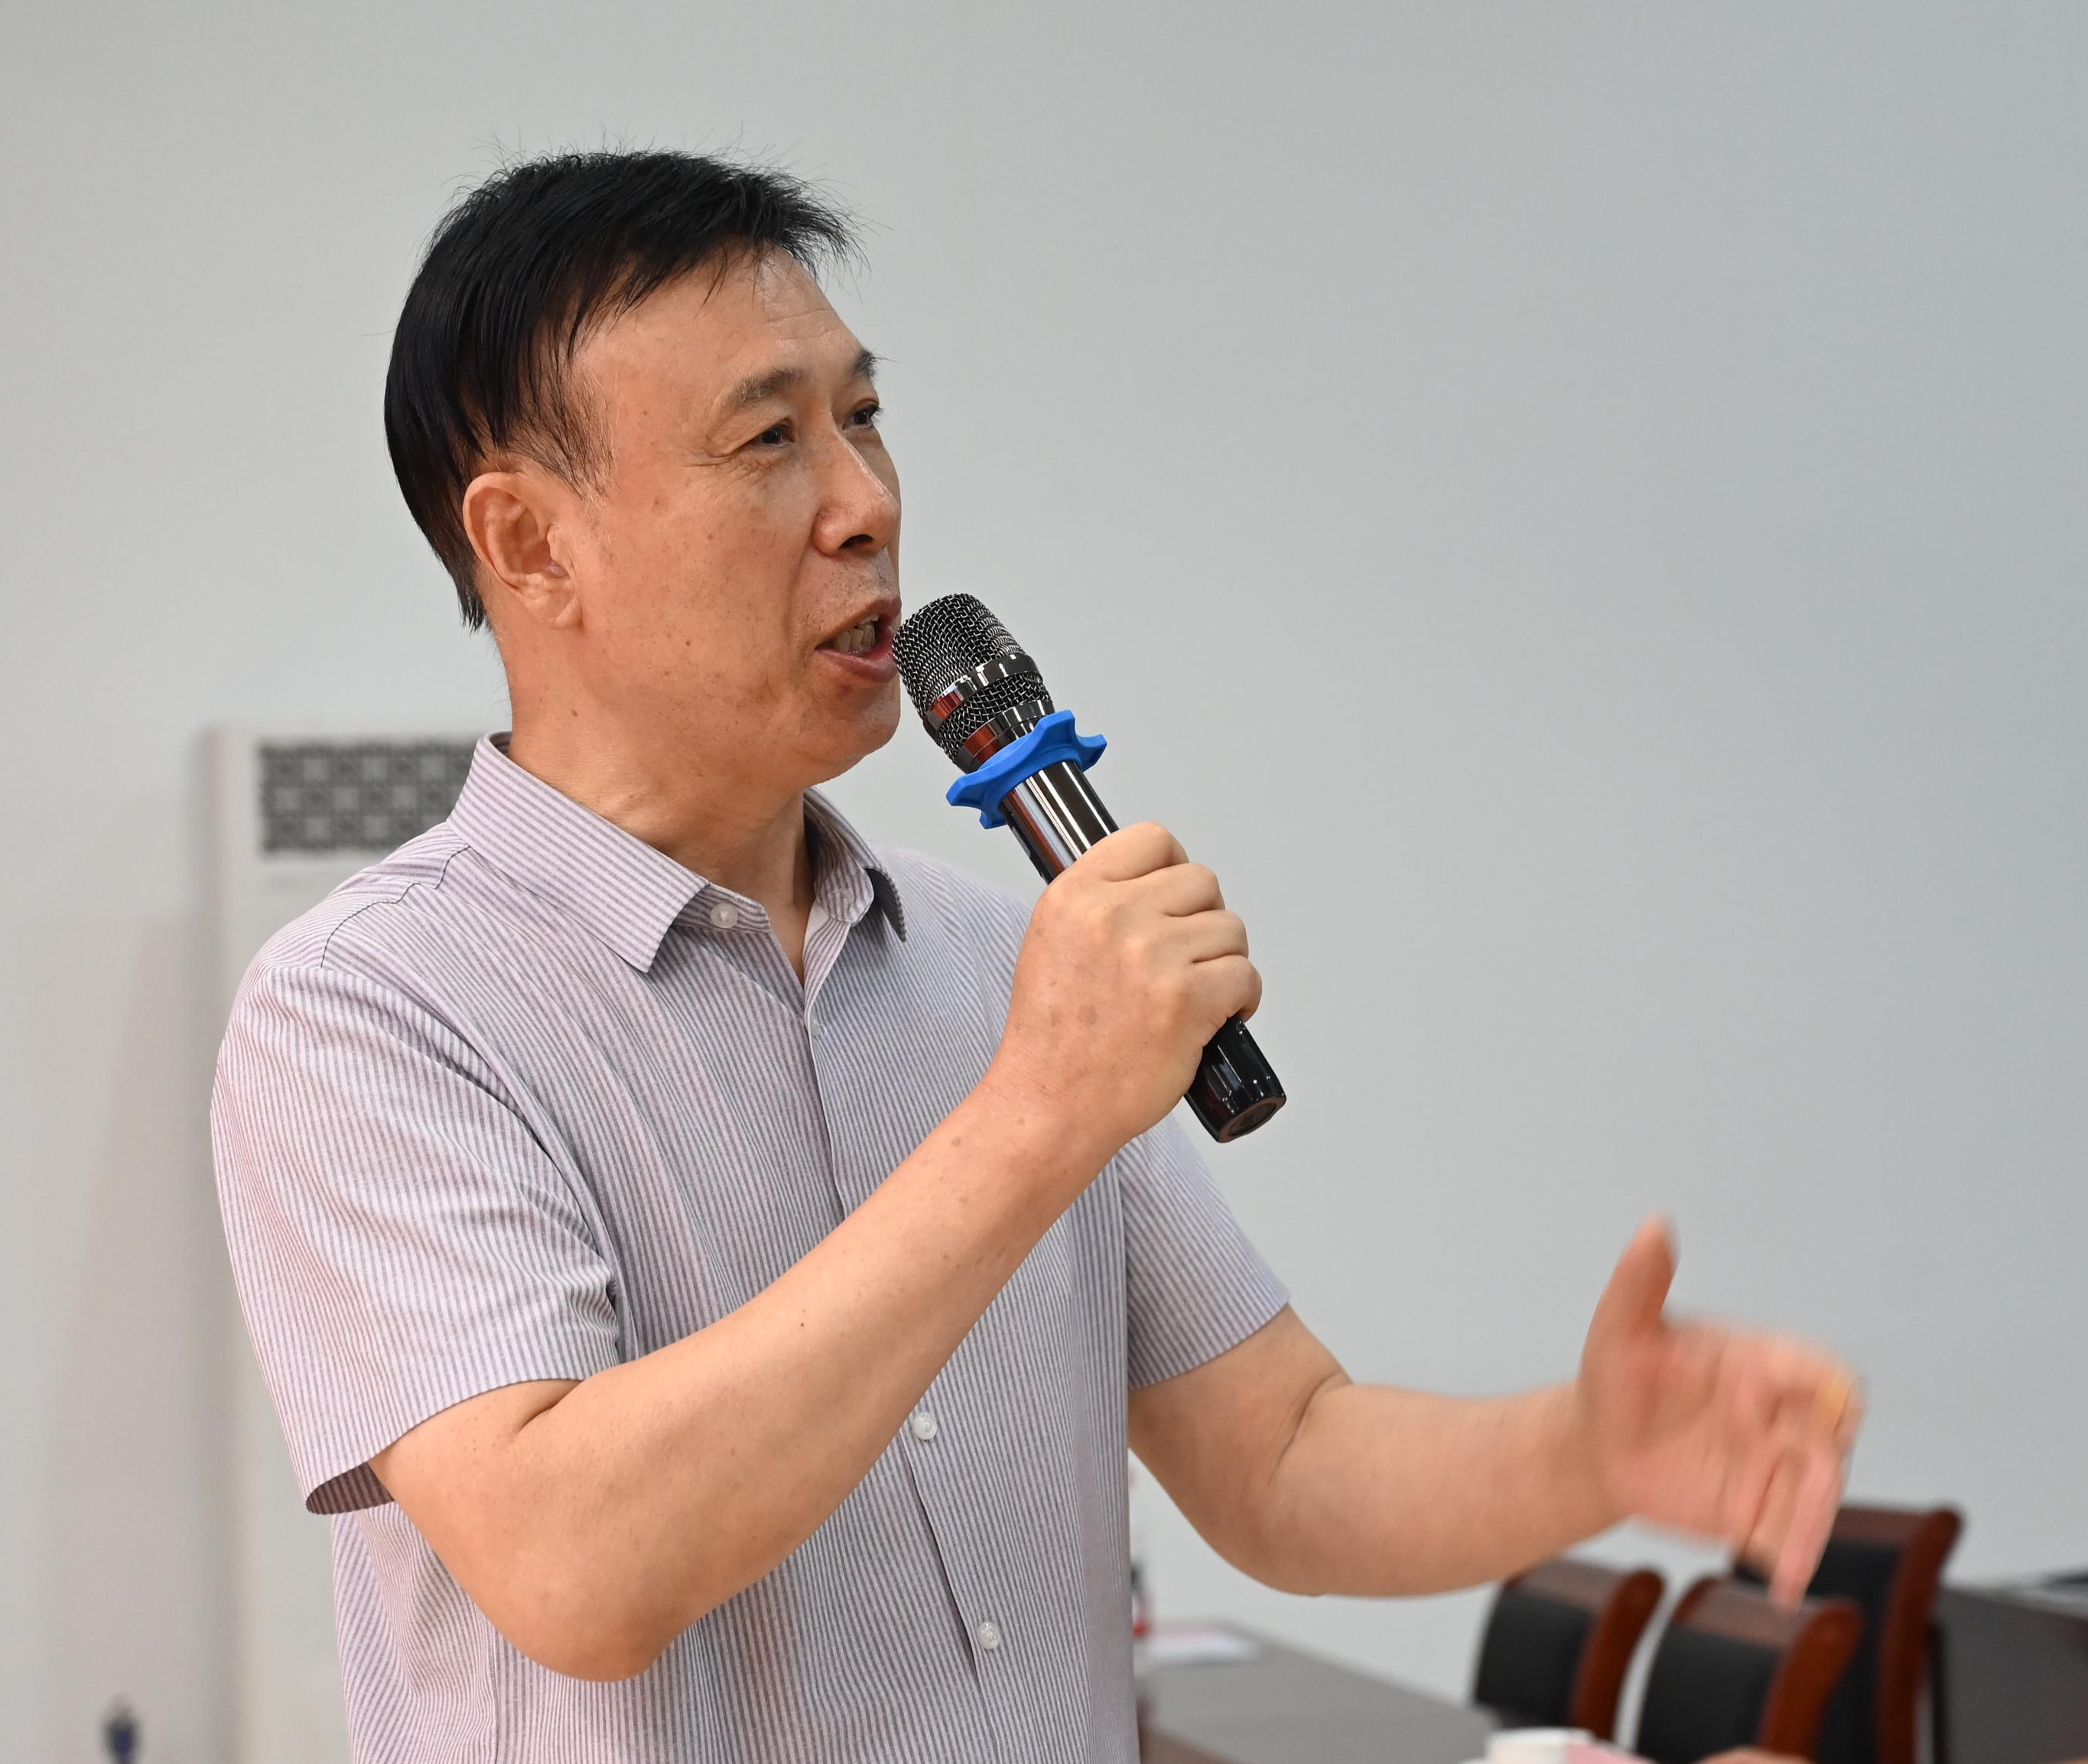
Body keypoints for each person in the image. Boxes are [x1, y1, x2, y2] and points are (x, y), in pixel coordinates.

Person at [212, 149, 1861, 1762]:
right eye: (768, 438)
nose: (866, 504)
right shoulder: (371, 1010)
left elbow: (1281, 1457)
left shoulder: (1003, 951)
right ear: (529, 544)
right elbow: (579, 1564)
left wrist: (1590, 1450)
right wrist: (1041, 1110)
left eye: (863, 414)